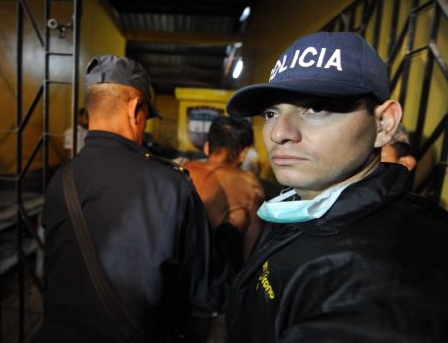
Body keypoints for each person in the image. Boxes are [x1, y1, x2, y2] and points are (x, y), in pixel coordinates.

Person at [224, 31, 448, 342]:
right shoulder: (302, 204)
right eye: (271, 113)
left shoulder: (388, 277)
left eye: (316, 108)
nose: (279, 133)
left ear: (383, 124)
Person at [38, 55, 228, 342]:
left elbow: (52, 268)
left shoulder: (60, 181)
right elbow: (204, 292)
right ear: (136, 109)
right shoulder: (170, 185)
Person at [183, 116, 265, 270]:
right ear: (244, 152)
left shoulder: (182, 169)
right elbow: (252, 249)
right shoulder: (249, 184)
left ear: (207, 147)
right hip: (213, 279)